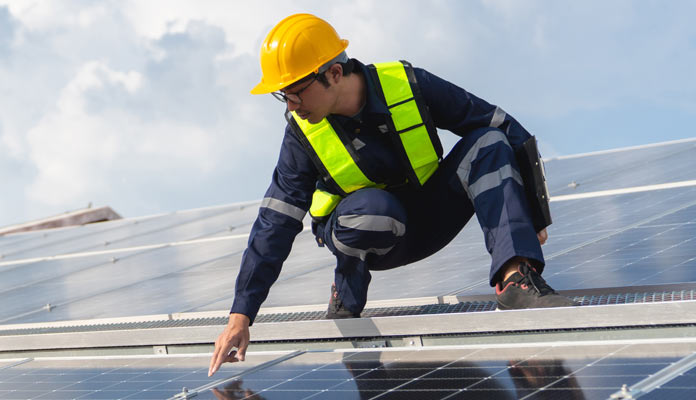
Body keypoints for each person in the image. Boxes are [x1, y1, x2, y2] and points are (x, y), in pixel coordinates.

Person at [208, 13, 576, 376]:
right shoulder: (300, 135)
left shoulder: (407, 84)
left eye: (295, 91)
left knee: (489, 141)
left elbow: (502, 125)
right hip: (370, 235)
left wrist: (533, 213)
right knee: (373, 209)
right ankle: (346, 294)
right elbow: (275, 223)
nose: (291, 105)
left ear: (333, 74)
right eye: (282, 96)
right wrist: (241, 315)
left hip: (431, 217)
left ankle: (515, 280)